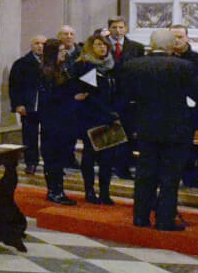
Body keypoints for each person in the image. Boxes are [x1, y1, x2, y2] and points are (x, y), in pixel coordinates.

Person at [118, 29, 198, 231]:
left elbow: (124, 99)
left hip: (145, 127)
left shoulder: (133, 65)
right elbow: (196, 96)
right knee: (169, 177)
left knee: (144, 174)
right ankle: (165, 219)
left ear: (151, 43)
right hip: (175, 128)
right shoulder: (184, 66)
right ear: (171, 45)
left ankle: (140, 217)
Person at [68, 35, 120, 204]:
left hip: (110, 117)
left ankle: (105, 192)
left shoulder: (112, 66)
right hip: (91, 117)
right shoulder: (83, 66)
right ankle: (89, 191)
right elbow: (86, 93)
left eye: (105, 45)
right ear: (90, 47)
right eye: (98, 45)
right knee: (90, 154)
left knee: (108, 157)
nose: (102, 48)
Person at [34, 39, 82, 205]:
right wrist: (73, 97)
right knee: (53, 158)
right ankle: (54, 191)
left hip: (64, 120)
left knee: (60, 157)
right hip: (53, 122)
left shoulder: (63, 68)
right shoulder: (46, 72)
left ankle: (58, 189)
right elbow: (51, 98)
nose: (64, 54)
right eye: (61, 51)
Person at [8, 36, 47, 176]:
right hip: (29, 106)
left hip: (47, 106)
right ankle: (31, 163)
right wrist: (18, 104)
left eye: (43, 44)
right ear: (31, 46)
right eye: (37, 43)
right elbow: (14, 86)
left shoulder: (51, 63)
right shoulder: (22, 63)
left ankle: (49, 163)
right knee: (29, 136)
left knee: (48, 136)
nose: (40, 46)